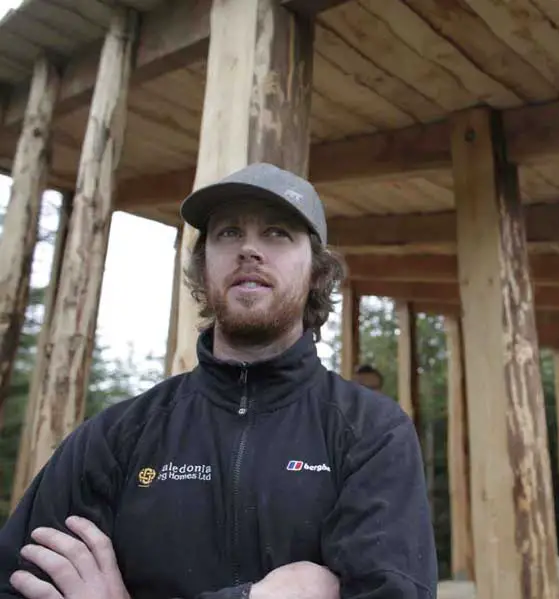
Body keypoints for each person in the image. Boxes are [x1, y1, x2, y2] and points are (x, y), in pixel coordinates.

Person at [0, 163, 438, 599]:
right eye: (228, 233)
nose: (249, 249)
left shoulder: (370, 433)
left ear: (316, 272)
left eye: (277, 233)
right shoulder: (116, 439)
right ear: (203, 265)